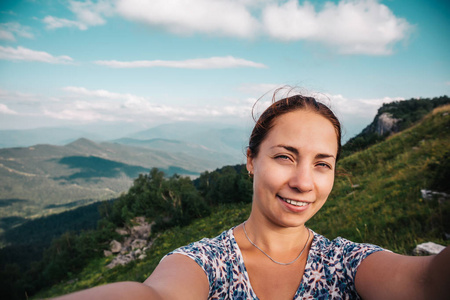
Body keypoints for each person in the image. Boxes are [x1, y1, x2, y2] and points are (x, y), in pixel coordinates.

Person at [55, 92, 449, 300]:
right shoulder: (205, 264)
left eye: (322, 164)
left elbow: (428, 284)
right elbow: (153, 295)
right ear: (251, 160)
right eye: (284, 156)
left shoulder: (347, 264)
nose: (303, 182)